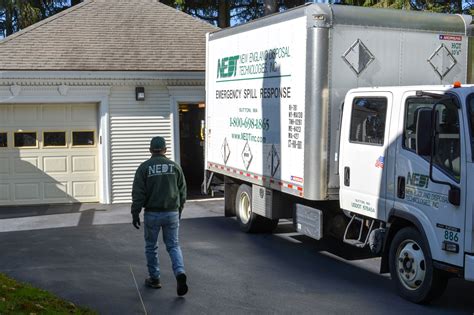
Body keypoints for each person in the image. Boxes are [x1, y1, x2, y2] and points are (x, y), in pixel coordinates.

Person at [131, 136, 188, 296]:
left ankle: (155, 279)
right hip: (172, 212)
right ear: (165, 149)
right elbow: (182, 192)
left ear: (150, 150)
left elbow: (138, 193)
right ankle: (179, 272)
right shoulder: (175, 167)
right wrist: (179, 210)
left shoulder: (144, 168)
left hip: (152, 213)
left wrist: (135, 212)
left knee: (151, 246)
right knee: (173, 245)